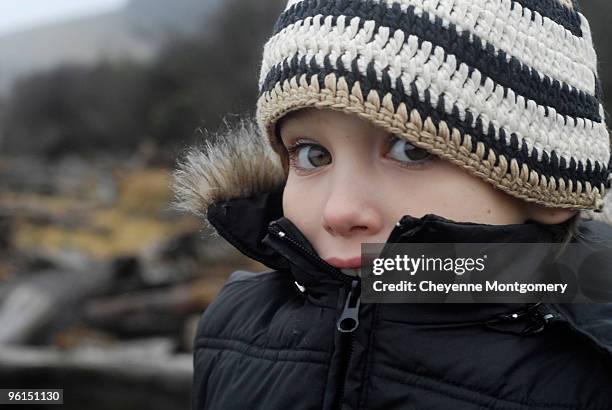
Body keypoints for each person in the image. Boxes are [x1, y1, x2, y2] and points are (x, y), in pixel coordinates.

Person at [172, 0, 612, 408]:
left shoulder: (590, 365)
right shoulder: (233, 328)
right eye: (312, 155)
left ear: (547, 189)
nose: (338, 211)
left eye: (411, 150)